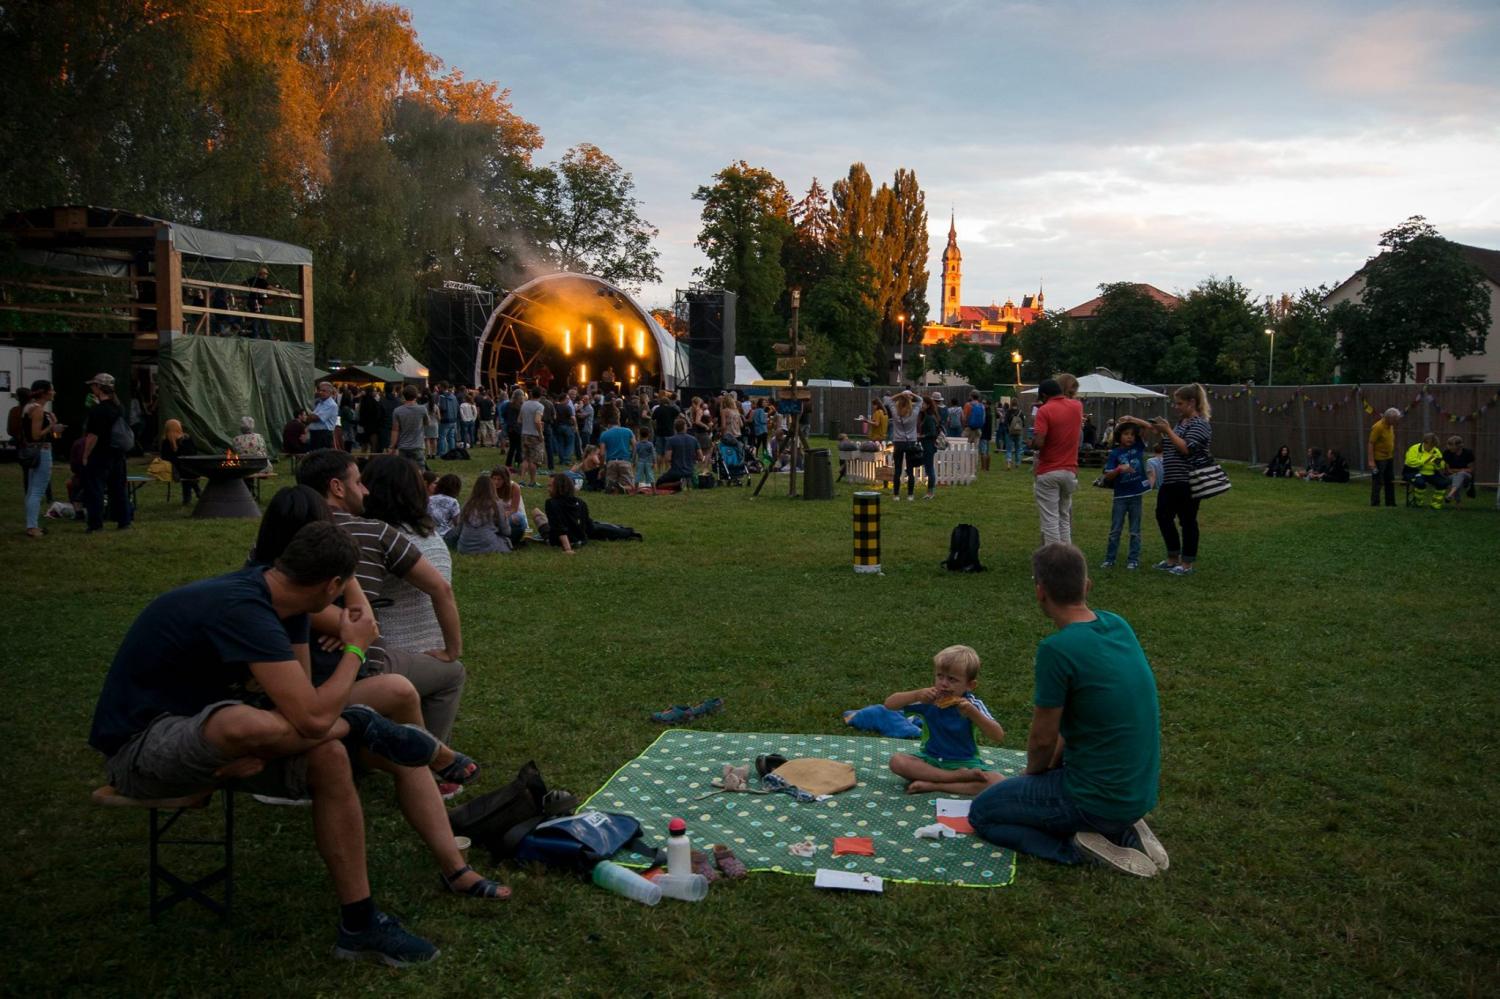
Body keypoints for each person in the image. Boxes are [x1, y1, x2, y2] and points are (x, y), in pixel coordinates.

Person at [89, 520, 447, 964]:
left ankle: (359, 924)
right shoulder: (243, 608)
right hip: (140, 751)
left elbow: (308, 713)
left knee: (329, 755)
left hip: (219, 740)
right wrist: (354, 650)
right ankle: (362, 725)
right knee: (241, 723)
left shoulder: (284, 603)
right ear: (332, 586)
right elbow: (315, 718)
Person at [969, 543, 1166, 878]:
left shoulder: (1057, 650)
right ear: (1087, 585)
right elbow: (1070, 727)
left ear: (1040, 592)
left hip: (1092, 797)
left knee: (984, 811)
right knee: (1028, 792)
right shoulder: (1118, 625)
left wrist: (1031, 777)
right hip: (1137, 789)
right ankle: (1122, 829)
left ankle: (1075, 848)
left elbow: (1043, 739)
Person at [296, 450, 467, 746]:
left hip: (304, 666)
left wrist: (342, 623)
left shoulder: (296, 530)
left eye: (366, 482)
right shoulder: (393, 536)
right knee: (449, 674)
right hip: (384, 658)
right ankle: (432, 758)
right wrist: (348, 624)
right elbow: (441, 589)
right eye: (359, 482)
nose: (364, 490)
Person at [885, 645, 1006, 797]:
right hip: (930, 760)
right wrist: (916, 695)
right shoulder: (928, 699)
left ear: (970, 685)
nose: (944, 683)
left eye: (952, 679)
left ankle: (935, 785)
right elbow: (889, 705)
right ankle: (955, 779)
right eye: (940, 676)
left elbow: (998, 735)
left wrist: (973, 713)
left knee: (999, 782)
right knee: (897, 761)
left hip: (965, 763)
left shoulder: (972, 705)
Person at [1121, 383, 1213, 575]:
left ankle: (1187, 564)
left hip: (1188, 481)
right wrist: (1134, 420)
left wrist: (1168, 431)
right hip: (1171, 480)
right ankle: (1173, 558)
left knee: (1187, 520)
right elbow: (1158, 430)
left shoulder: (1200, 424)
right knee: (1163, 515)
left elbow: (1186, 448)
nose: (1176, 407)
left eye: (1179, 403)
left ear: (1192, 402)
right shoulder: (1182, 423)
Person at [1031, 377, 1083, 545]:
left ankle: (1054, 561)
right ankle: (1068, 558)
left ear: (1045, 395)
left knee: (1050, 520)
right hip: (1070, 471)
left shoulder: (1044, 410)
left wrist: (1031, 443)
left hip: (1049, 470)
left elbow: (1039, 443)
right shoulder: (1077, 407)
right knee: (1064, 518)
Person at [81, 372, 132, 533]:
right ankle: (124, 521)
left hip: (100, 454)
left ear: (98, 387)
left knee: (95, 489)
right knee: (118, 489)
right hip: (117, 453)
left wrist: (85, 455)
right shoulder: (119, 407)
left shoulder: (97, 411)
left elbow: (93, 436)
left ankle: (95, 524)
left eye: (93, 385)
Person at [1100, 423, 1149, 570]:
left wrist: (1130, 418)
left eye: (1132, 434)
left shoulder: (1138, 447)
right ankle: (1110, 559)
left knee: (1135, 531)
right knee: (1115, 530)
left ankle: (1133, 559)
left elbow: (1147, 427)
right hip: (1120, 497)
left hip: (1136, 495)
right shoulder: (1115, 453)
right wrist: (1119, 469)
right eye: (1126, 434)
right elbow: (1108, 476)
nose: (1130, 437)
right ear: (1119, 436)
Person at [20, 380, 61, 538]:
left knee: (32, 489)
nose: (54, 392)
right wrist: (52, 425)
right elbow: (36, 435)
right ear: (44, 392)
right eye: (52, 390)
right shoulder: (37, 410)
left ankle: (31, 524)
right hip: (41, 451)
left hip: (31, 451)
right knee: (38, 490)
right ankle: (32, 527)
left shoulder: (28, 407)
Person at [456, 473, 514, 555]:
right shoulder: (496, 504)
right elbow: (506, 531)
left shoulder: (467, 504)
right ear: (492, 488)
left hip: (464, 548)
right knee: (505, 541)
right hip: (488, 547)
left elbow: (459, 529)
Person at [536, 472, 590, 553]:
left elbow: (559, 528)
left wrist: (568, 549)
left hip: (558, 541)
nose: (548, 489)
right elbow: (587, 524)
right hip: (579, 540)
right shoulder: (581, 503)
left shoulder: (551, 503)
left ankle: (542, 535)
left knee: (536, 512)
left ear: (559, 487)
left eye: (550, 486)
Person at [885, 389, 921, 501]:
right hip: (910, 442)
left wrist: (901, 394)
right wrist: (911, 395)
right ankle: (910, 495)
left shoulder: (895, 413)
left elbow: (888, 401)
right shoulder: (914, 412)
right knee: (910, 470)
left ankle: (896, 495)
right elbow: (920, 400)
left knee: (897, 470)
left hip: (898, 442)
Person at [159, 418, 203, 506]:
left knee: (187, 473)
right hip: (181, 468)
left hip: (179, 467)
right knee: (188, 473)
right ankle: (194, 493)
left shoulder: (167, 441)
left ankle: (189, 496)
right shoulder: (185, 439)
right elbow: (192, 453)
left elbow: (165, 457)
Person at [1367, 407, 1402, 508]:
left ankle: (1390, 502)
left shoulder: (1390, 426)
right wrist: (1371, 461)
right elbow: (1370, 443)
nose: (1397, 421)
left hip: (1389, 457)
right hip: (1379, 459)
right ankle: (1375, 503)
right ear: (1389, 418)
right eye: (1395, 419)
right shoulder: (1378, 427)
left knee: (1390, 480)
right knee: (1378, 481)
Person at [1403, 433, 1448, 509]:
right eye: (1430, 446)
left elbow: (1441, 466)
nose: (1432, 448)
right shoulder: (1414, 448)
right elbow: (1409, 462)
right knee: (1420, 483)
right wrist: (1425, 461)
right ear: (1424, 442)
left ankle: (1435, 504)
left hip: (1431, 473)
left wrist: (1438, 464)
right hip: (1414, 471)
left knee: (1443, 483)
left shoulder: (1436, 451)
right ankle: (1418, 503)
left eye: (1434, 446)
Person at [656, 416, 702, 490]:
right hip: (690, 471)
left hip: (676, 471)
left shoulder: (671, 440)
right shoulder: (693, 439)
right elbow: (700, 457)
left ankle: (678, 484)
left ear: (675, 428)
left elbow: (668, 458)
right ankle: (686, 482)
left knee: (658, 483)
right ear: (685, 427)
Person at [487, 465, 528, 544]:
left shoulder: (514, 487)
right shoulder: (490, 487)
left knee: (516, 518)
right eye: (494, 479)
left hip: (512, 516)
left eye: (499, 479)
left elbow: (514, 509)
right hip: (497, 518)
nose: (496, 482)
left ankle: (515, 539)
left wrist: (503, 516)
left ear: (505, 479)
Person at [388, 385, 428, 466]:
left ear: (403, 395)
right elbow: (427, 423)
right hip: (418, 446)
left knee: (404, 472)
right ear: (416, 396)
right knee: (419, 472)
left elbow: (395, 430)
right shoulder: (422, 409)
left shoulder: (397, 411)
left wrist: (392, 446)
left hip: (403, 447)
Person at [598, 409, 635, 494]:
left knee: (610, 483)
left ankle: (613, 488)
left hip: (611, 462)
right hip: (625, 460)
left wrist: (602, 466)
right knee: (630, 486)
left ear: (608, 425)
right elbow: (635, 446)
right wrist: (633, 460)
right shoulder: (628, 431)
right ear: (618, 422)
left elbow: (602, 453)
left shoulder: (604, 434)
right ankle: (623, 488)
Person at [518, 388, 545, 486]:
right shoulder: (540, 406)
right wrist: (541, 434)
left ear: (531, 394)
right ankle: (532, 481)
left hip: (524, 434)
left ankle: (521, 480)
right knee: (534, 460)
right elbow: (537, 421)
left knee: (525, 458)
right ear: (540, 395)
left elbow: (519, 420)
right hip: (534, 436)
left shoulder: (524, 404)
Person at [918, 393, 941, 500]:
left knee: (929, 469)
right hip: (926, 445)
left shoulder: (929, 417)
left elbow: (932, 433)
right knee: (928, 469)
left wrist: (922, 435)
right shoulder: (925, 416)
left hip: (928, 446)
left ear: (927, 405)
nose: (921, 405)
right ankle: (930, 491)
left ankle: (930, 492)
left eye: (922, 403)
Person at [427, 473, 462, 542]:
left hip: (429, 534)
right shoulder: (453, 502)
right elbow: (457, 523)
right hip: (445, 536)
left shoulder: (429, 499)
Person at [1441, 435, 1475, 506]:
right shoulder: (1447, 453)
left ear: (1459, 446)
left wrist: (1458, 471)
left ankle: (1452, 496)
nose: (1448, 447)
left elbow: (1470, 470)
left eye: (1451, 445)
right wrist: (1462, 470)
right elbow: (1448, 471)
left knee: (1460, 475)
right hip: (1450, 477)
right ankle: (1452, 497)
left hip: (1466, 477)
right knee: (1458, 477)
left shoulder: (1468, 453)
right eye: (1448, 445)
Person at [359, 388, 386, 453]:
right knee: (373, 446)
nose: (376, 392)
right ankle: (372, 460)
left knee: (364, 446)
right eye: (374, 391)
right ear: (371, 392)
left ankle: (361, 459)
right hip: (374, 427)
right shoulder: (375, 403)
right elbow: (379, 415)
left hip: (364, 426)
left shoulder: (363, 401)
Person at [634, 424, 657, 489]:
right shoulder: (650, 444)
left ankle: (635, 491)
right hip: (648, 462)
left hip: (640, 462)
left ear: (639, 434)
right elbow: (653, 454)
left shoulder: (637, 444)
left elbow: (634, 454)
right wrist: (654, 462)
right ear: (648, 434)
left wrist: (633, 462)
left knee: (637, 476)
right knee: (650, 476)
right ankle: (654, 491)